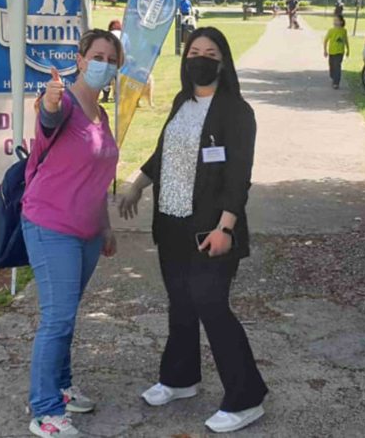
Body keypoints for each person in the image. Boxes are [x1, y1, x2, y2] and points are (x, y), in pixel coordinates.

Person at [119, 27, 268, 434]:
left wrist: (225, 228)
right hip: (171, 221)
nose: (200, 59)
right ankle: (180, 378)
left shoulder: (237, 112)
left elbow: (238, 177)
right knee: (181, 303)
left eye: (210, 53)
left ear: (223, 62)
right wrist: (137, 184)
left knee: (210, 304)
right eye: (194, 52)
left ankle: (246, 397)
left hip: (211, 228)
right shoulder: (181, 103)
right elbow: (163, 154)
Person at [22, 29, 123, 437]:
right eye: (97, 56)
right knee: (57, 318)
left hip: (88, 232)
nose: (104, 65)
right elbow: (48, 118)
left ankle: (61, 388)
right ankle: (45, 412)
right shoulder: (64, 103)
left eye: (112, 60)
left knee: (66, 314)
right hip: (51, 225)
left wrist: (106, 226)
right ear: (80, 60)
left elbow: (95, 178)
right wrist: (48, 102)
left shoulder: (101, 115)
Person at [323, 15, 350, 89]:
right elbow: (325, 40)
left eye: (337, 20)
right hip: (332, 52)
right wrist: (325, 50)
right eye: (334, 20)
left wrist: (348, 49)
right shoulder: (331, 30)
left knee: (337, 66)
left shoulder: (344, 31)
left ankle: (336, 82)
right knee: (332, 66)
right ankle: (333, 77)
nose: (335, 22)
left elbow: (346, 40)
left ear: (341, 22)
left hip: (340, 52)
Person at [101, 20, 122, 103]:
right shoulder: (124, 35)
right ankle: (117, 97)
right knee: (118, 77)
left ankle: (105, 96)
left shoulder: (107, 35)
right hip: (121, 57)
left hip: (109, 57)